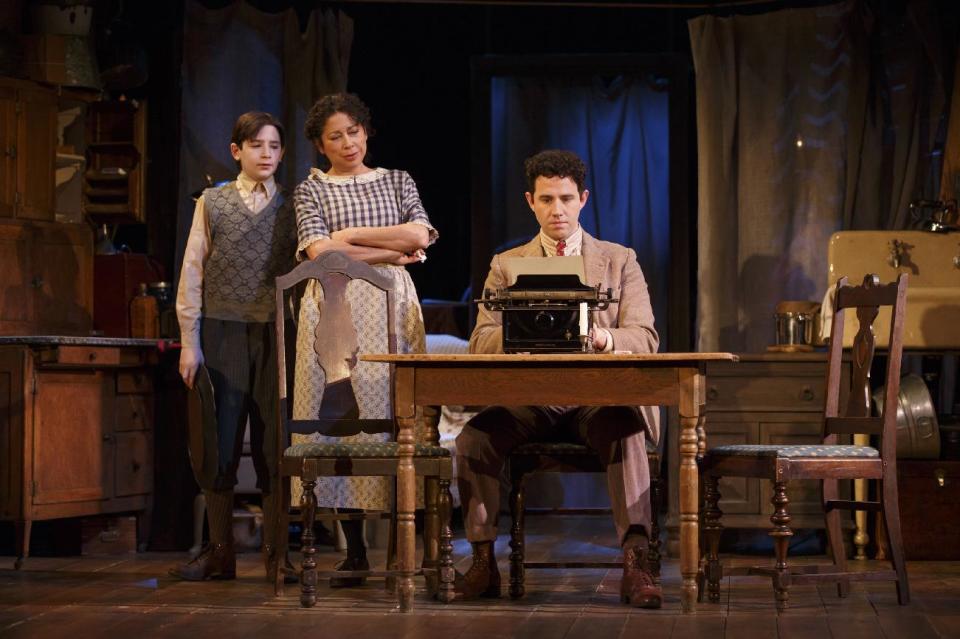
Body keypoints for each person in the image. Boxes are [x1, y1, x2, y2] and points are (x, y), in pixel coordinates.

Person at [456, 149, 663, 608]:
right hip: (531, 401)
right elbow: (480, 340)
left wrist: (603, 338)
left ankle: (635, 563)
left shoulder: (619, 260)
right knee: (474, 439)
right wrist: (517, 335)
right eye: (547, 199)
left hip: (596, 399)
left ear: (583, 199)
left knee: (627, 431)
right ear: (531, 201)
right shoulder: (506, 265)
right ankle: (484, 562)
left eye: (566, 198)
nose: (557, 210)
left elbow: (646, 337)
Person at [292, 92, 437, 587]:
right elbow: (318, 250)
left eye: (354, 131)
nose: (348, 142)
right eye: (335, 135)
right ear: (319, 144)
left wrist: (351, 234)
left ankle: (402, 546)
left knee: (399, 418)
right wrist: (389, 254)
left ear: (367, 131)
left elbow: (419, 236)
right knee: (342, 418)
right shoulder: (310, 190)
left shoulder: (398, 180)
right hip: (334, 307)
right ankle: (353, 550)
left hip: (392, 307)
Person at [173, 111, 297, 582]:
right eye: (256, 145)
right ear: (236, 151)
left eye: (273, 146)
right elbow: (192, 270)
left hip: (275, 333)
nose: (266, 154)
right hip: (222, 331)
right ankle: (220, 550)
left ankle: (276, 555)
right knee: (218, 440)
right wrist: (190, 342)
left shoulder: (293, 205)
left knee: (274, 443)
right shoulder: (213, 202)